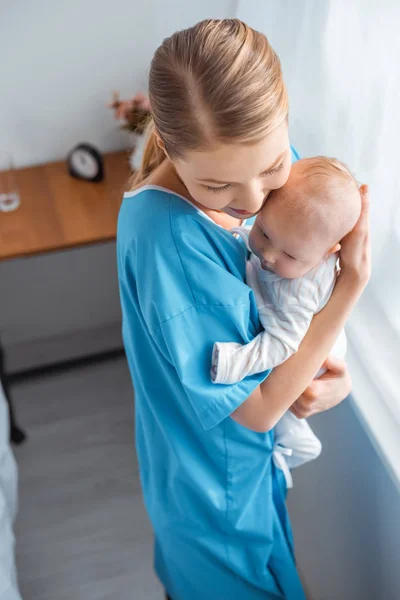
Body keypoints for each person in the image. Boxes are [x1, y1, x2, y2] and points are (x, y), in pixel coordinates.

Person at [117, 19, 370, 600]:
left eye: (273, 167)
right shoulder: (170, 243)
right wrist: (353, 284)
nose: (256, 201)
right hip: (212, 491)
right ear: (171, 150)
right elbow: (254, 410)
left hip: (254, 475)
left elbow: (301, 302)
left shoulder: (281, 170)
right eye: (218, 188)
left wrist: (332, 378)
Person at [211, 156, 362, 488]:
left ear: (328, 252)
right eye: (263, 232)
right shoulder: (290, 211)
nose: (268, 255)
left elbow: (284, 343)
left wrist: (235, 363)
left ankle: (296, 452)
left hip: (311, 351)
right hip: (289, 324)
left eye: (290, 255)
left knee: (290, 425)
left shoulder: (301, 287)